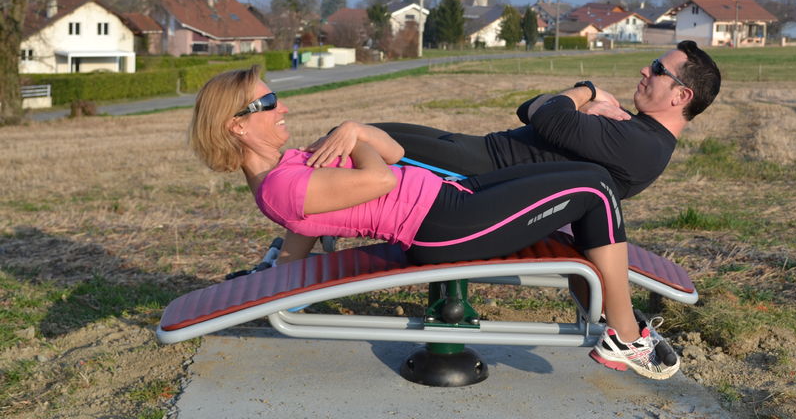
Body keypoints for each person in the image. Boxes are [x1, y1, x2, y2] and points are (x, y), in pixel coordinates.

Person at [188, 66, 685, 380]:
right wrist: (357, 132)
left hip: (452, 199)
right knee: (593, 191)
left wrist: (279, 269)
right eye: (269, 103)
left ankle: (616, 318)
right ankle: (624, 336)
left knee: (589, 176)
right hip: (442, 226)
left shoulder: (286, 168)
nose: (283, 107)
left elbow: (395, 153)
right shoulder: (282, 185)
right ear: (237, 125)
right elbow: (381, 179)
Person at [365, 40, 721, 201]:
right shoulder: (633, 129)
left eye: (658, 69)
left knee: (353, 141)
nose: (646, 69)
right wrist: (574, 109)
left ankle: (304, 285)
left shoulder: (640, 143)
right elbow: (529, 109)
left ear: (681, 96)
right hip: (476, 150)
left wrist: (587, 91)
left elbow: (548, 117)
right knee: (359, 135)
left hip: (477, 170)